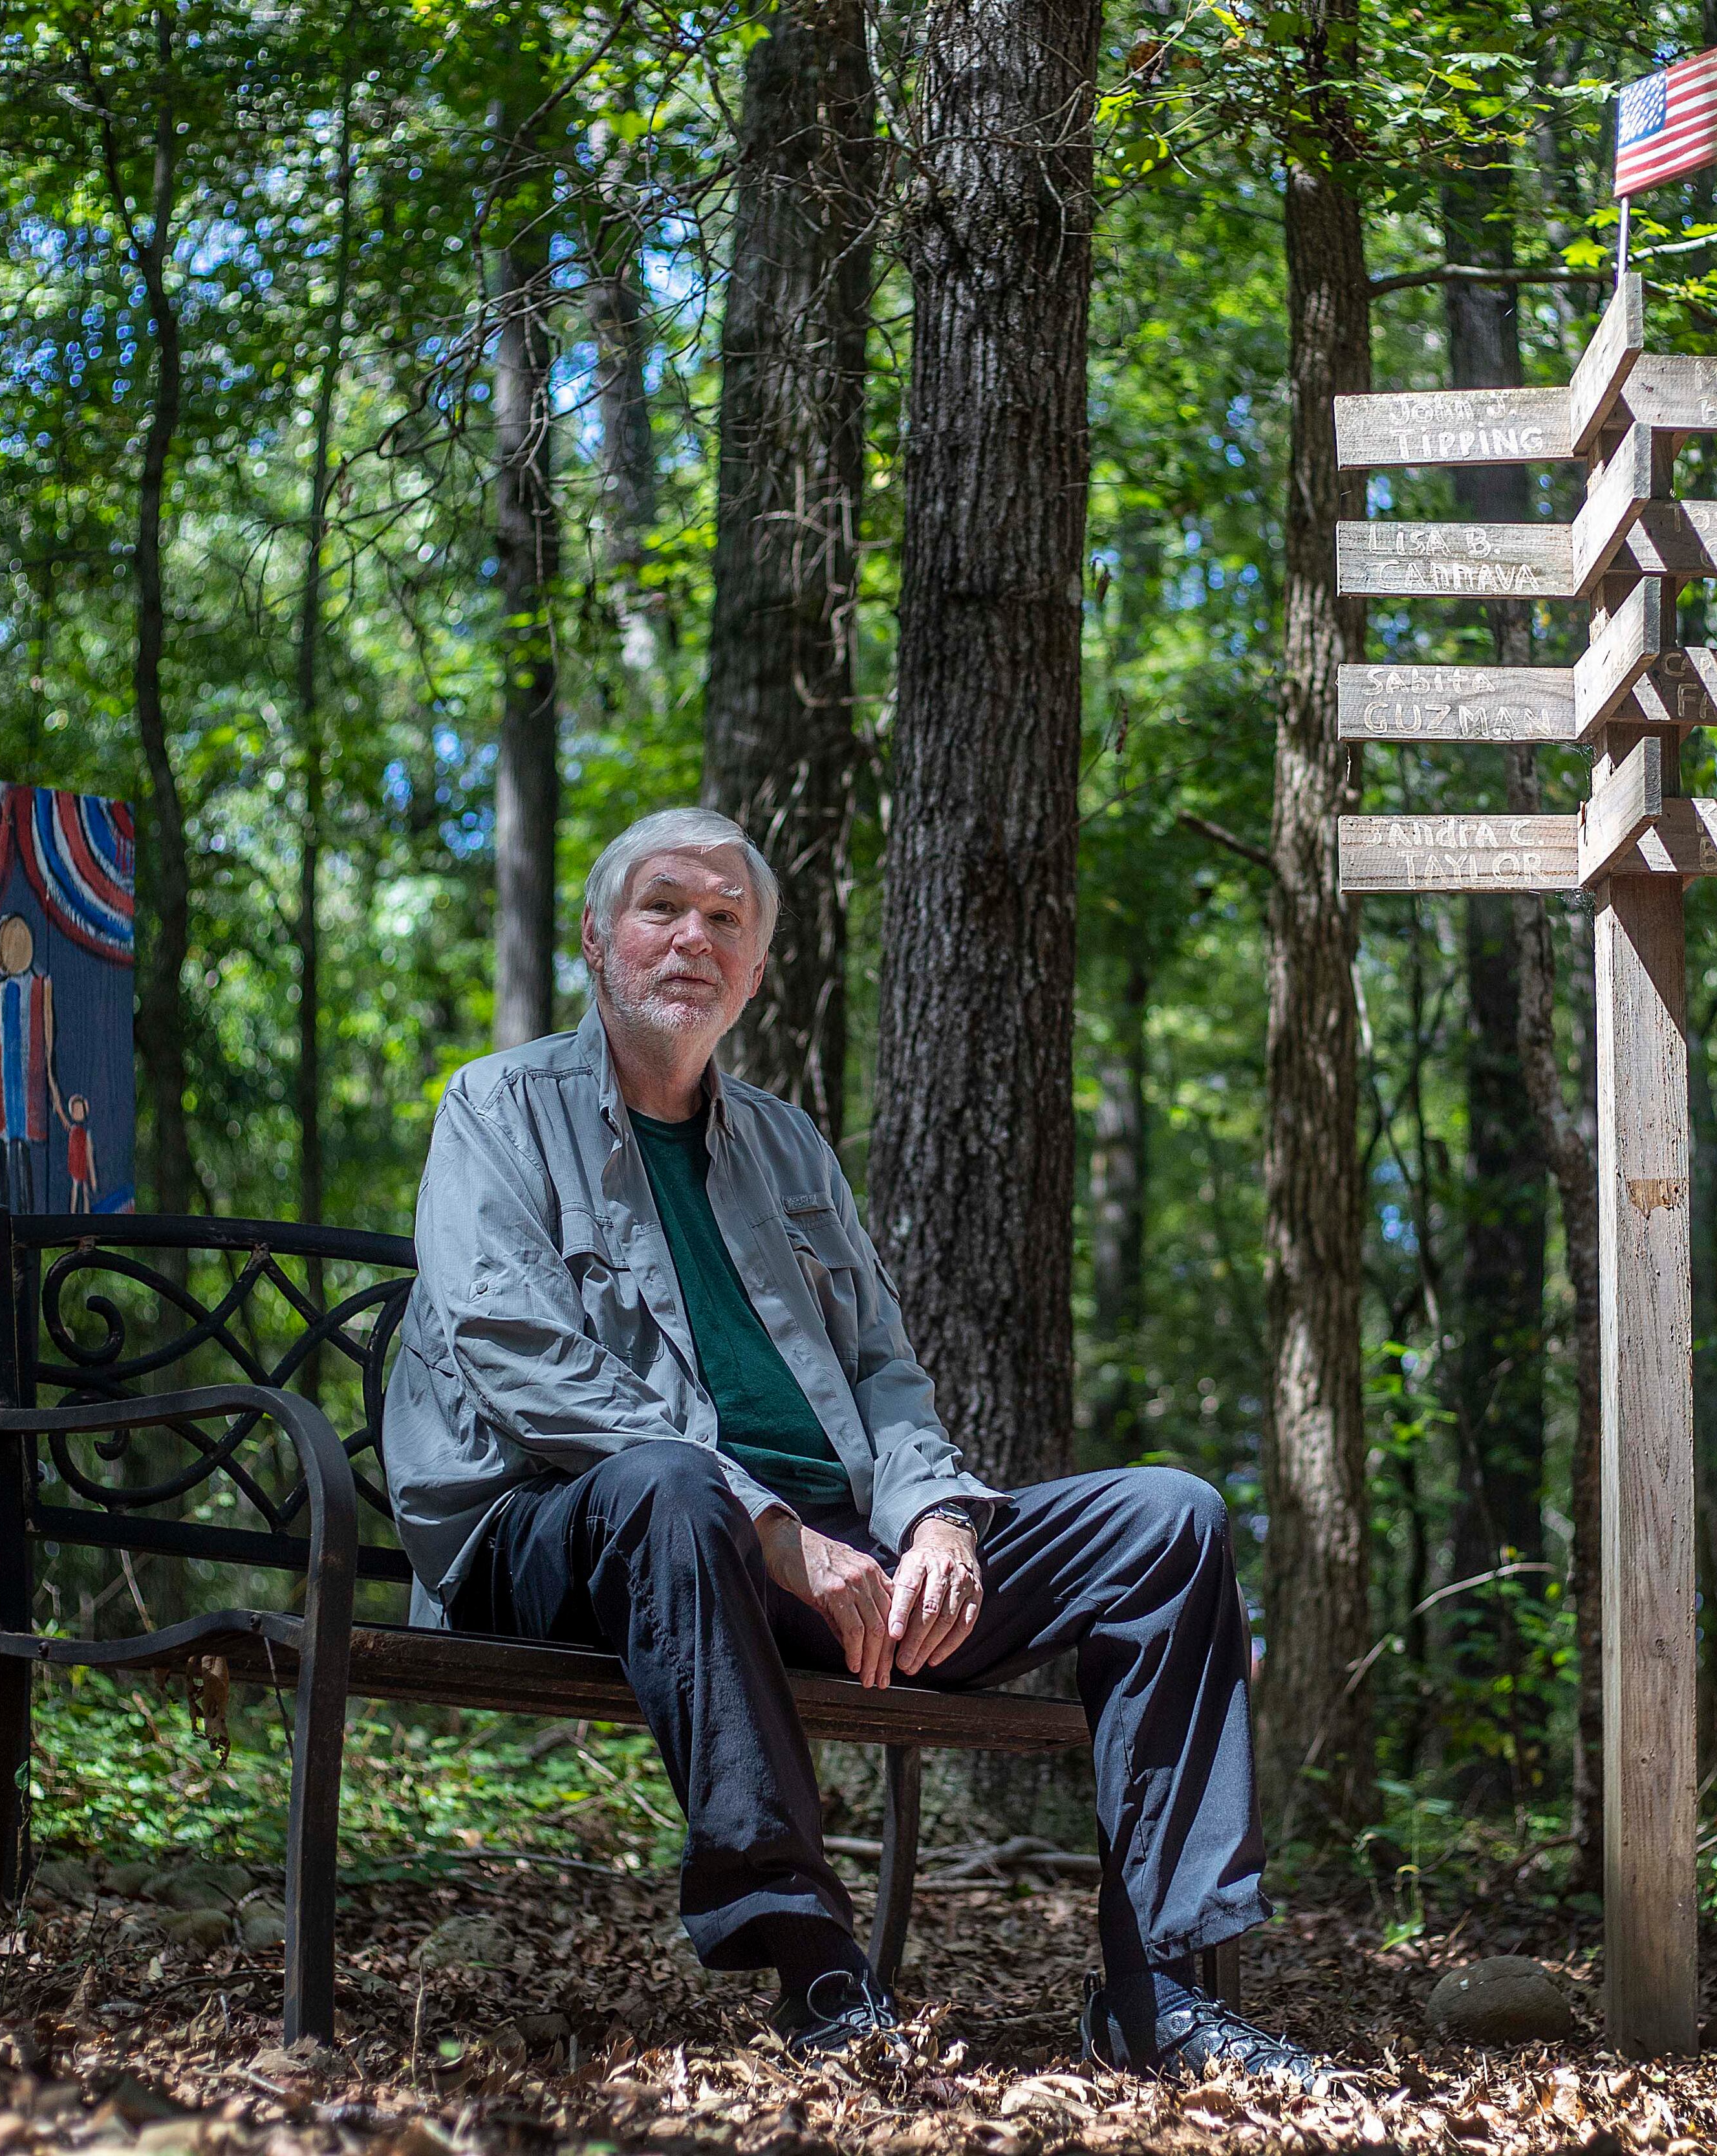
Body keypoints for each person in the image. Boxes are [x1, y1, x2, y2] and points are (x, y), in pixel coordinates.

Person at [381, 807, 1334, 2085]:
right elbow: (514, 1350)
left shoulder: (783, 1146)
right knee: (670, 1484)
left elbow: (884, 1368)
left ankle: (1160, 1992)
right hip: (569, 1537)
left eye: (728, 919)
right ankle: (814, 1960)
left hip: (823, 1560)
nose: (694, 936)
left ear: (758, 971)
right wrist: (770, 1523)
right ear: (599, 939)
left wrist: (939, 1514)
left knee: (1167, 1516)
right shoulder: (499, 1108)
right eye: (664, 906)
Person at [0, 913, 63, 1212]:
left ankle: (25, 1214)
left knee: (22, 1149)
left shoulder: (41, 986)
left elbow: (49, 1042)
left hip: (28, 1085)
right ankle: (1, 1211)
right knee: (0, 1147)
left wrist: (53, 1087)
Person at [63, 1093, 96, 1212]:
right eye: (76, 1110)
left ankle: (86, 1213)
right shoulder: (73, 1131)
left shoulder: (86, 1133)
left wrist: (93, 1177)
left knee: (85, 1191)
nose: (78, 1113)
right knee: (76, 1188)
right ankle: (73, 1213)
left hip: (83, 1164)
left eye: (80, 1110)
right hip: (75, 1164)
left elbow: (89, 1154)